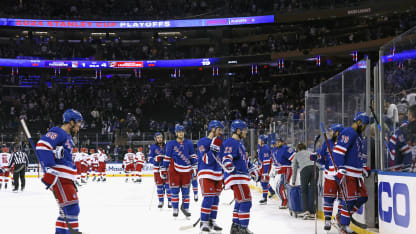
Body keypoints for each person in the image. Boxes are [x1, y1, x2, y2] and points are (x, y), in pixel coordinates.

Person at [35, 108, 83, 233]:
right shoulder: (59, 132)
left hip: (66, 178)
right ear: (71, 122)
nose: (78, 128)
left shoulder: (67, 137)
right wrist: (50, 170)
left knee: (66, 211)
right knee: (72, 209)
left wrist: (55, 154)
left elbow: (56, 153)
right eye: (78, 125)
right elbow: (42, 145)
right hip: (61, 177)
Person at [333, 112, 370, 234]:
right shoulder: (349, 132)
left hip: (357, 174)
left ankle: (341, 216)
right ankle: (344, 226)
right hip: (348, 173)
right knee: (348, 201)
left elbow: (357, 155)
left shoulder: (358, 136)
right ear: (359, 122)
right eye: (364, 124)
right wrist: (340, 168)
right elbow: (339, 151)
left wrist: (363, 167)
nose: (365, 127)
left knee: (363, 197)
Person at [221, 120, 258, 234]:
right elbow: (226, 157)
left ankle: (235, 227)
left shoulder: (239, 144)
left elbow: (245, 160)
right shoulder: (230, 142)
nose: (246, 132)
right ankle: (243, 229)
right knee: (246, 201)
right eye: (244, 130)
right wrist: (229, 165)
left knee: (239, 201)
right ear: (238, 130)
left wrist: (252, 170)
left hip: (240, 176)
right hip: (236, 177)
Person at [311, 123, 343, 230]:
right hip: (330, 176)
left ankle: (339, 219)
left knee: (343, 200)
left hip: (342, 176)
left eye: (332, 131)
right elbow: (322, 156)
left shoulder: (344, 143)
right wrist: (316, 156)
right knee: (328, 199)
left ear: (337, 132)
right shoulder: (327, 143)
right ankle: (328, 220)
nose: (330, 133)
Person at [160, 125, 197, 218]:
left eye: (182, 131)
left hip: (186, 171)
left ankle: (186, 209)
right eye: (179, 131)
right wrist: (164, 168)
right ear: (176, 133)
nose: (181, 133)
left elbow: (193, 156)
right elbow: (167, 157)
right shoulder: (170, 144)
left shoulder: (189, 143)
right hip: (174, 171)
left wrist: (195, 167)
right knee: (174, 190)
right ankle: (175, 209)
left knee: (186, 192)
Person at [197, 120, 224, 233]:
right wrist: (213, 148)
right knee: (208, 198)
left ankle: (212, 221)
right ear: (212, 129)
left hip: (218, 174)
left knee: (216, 199)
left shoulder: (220, 142)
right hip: (206, 172)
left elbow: (221, 160)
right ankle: (204, 222)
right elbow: (206, 159)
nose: (221, 132)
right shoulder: (202, 141)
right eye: (219, 129)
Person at [292, 142, 317, 219]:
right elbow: (317, 161)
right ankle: (313, 212)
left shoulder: (296, 155)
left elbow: (295, 169)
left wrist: (293, 181)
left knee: (304, 191)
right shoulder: (310, 152)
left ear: (298, 149)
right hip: (315, 168)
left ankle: (306, 211)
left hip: (305, 170)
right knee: (313, 190)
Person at [388, 104, 415, 171]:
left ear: (410, 116)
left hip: (407, 174)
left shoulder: (401, 132)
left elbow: (393, 151)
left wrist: (394, 168)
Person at [148, 132, 172, 208]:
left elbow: (171, 156)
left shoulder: (167, 146)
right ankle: (161, 201)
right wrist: (155, 160)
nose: (159, 139)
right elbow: (149, 158)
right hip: (157, 169)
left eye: (160, 137)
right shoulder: (152, 147)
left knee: (168, 186)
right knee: (159, 186)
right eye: (158, 137)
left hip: (166, 168)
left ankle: (170, 201)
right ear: (155, 139)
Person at [272, 137, 296, 209]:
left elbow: (294, 158)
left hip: (286, 169)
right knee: (278, 187)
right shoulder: (275, 150)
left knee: (282, 186)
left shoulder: (286, 149)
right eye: (277, 141)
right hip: (280, 170)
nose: (278, 143)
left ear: (283, 142)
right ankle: (285, 201)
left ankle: (285, 201)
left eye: (280, 142)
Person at [257, 134, 272, 205]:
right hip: (262, 168)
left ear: (263, 141)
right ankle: (271, 191)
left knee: (264, 183)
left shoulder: (265, 148)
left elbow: (266, 161)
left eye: (259, 139)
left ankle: (265, 198)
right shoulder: (261, 147)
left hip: (264, 169)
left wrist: (265, 172)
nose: (258, 140)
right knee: (263, 182)